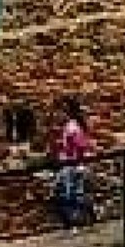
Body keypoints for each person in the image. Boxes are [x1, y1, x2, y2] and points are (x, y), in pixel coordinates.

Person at [46, 98, 95, 229]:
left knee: (70, 194)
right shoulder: (71, 126)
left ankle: (78, 221)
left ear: (65, 112)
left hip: (72, 166)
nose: (56, 116)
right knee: (71, 193)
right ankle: (81, 220)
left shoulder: (72, 127)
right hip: (71, 165)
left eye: (59, 112)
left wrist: (75, 161)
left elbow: (80, 146)